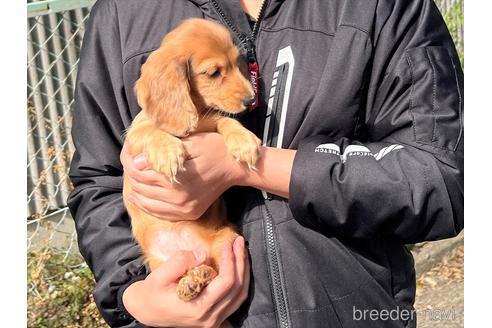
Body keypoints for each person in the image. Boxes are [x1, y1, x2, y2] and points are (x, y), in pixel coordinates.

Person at [67, 0, 464, 327]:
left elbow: (442, 177)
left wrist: (251, 168)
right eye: (216, 73)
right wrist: (133, 293)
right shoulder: (123, 12)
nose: (244, 89)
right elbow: (97, 181)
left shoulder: (378, 7)